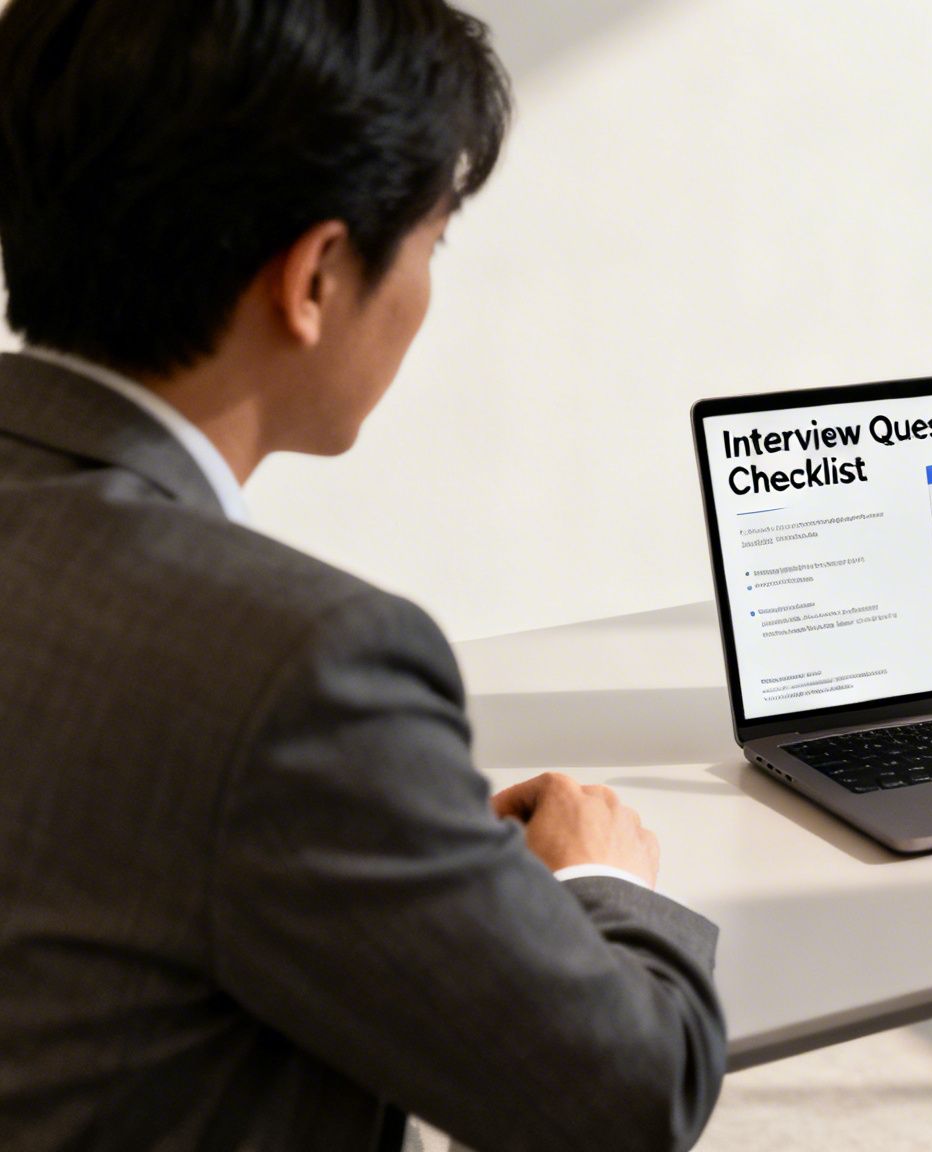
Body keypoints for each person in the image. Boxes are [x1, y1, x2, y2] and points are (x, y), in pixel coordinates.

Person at [0, 1, 723, 1149]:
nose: (427, 293)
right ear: (317, 277)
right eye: (431, 244)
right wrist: (604, 886)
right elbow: (627, 1101)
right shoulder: (294, 665)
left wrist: (383, 820)